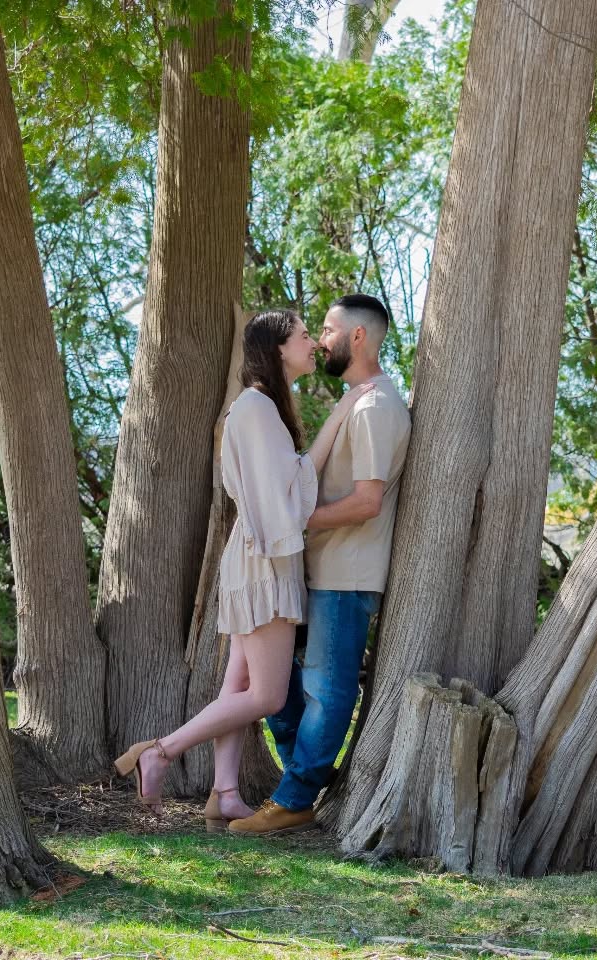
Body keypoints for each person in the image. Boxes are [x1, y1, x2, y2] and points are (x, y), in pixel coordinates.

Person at [114, 310, 373, 828]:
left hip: (257, 555)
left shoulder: (263, 409)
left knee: (237, 683)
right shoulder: (255, 408)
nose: (313, 346)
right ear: (277, 348)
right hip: (263, 559)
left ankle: (225, 793)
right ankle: (161, 752)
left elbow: (284, 481)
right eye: (303, 337)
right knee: (268, 695)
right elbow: (286, 493)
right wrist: (344, 411)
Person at [230, 293, 411, 836]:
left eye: (327, 330)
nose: (319, 340)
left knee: (327, 689)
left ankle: (294, 798)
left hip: (346, 573)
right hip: (314, 569)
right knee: (277, 688)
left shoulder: (377, 407)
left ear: (358, 337)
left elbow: (367, 502)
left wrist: (296, 522)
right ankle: (302, 781)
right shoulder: (357, 401)